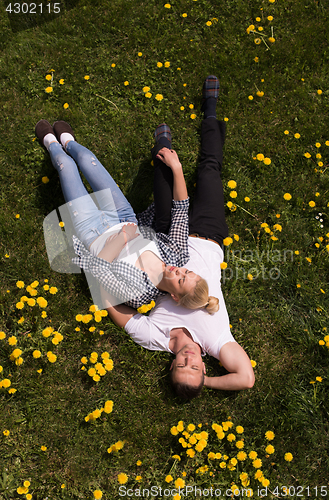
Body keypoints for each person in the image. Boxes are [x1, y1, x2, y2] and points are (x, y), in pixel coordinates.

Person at [100, 75, 255, 399]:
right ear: (203, 365)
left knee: (165, 201)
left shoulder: (158, 339)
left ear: (171, 366)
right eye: (196, 367)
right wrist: (206, 382)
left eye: (182, 365)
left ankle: (162, 148)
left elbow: (120, 313)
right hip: (209, 235)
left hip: (169, 239)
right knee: (210, 170)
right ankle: (210, 110)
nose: (189, 359)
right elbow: (245, 378)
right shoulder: (216, 341)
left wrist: (100, 279)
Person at [35, 118, 218, 312]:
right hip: (122, 215)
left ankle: (51, 143)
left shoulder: (139, 295)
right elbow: (181, 211)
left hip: (91, 231)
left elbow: (97, 270)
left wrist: (123, 237)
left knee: (65, 165)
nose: (179, 270)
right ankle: (67, 141)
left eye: (181, 280)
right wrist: (177, 168)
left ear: (175, 296)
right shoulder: (177, 254)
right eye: (187, 271)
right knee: (87, 160)